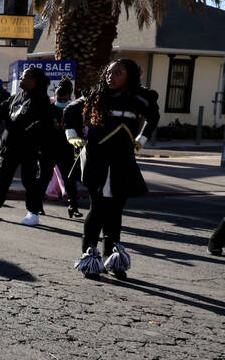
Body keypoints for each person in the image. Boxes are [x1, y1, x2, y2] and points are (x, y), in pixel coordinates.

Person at [66, 58, 159, 279]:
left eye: (118, 72)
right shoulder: (95, 94)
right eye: (109, 72)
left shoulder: (141, 97)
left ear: (130, 75)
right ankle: (89, 258)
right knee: (97, 209)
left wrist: (142, 139)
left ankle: (112, 258)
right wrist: (73, 136)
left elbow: (154, 116)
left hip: (122, 160)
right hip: (97, 159)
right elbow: (69, 111)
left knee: (116, 210)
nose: (111, 76)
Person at [0, 66, 56, 226]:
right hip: (10, 148)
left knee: (28, 181)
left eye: (24, 76)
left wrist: (27, 133)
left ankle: (33, 212)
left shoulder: (41, 100)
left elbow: (44, 124)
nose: (21, 78)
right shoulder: (16, 98)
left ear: (34, 80)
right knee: (3, 179)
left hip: (28, 149)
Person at [45, 77, 82, 218]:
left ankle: (73, 206)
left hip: (66, 149)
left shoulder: (73, 109)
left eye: (64, 99)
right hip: (49, 148)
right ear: (55, 96)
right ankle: (36, 207)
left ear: (69, 96)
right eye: (58, 99)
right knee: (43, 178)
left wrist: (79, 142)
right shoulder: (49, 108)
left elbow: (78, 128)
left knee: (69, 179)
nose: (61, 102)